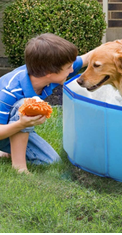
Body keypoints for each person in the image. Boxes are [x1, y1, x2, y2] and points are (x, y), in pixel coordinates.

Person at [0, 33, 93, 174]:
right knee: (24, 104)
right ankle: (19, 167)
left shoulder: (47, 76)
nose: (72, 70)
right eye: (68, 67)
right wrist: (21, 124)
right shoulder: (9, 91)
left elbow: (87, 58)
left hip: (11, 127)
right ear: (49, 72)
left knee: (50, 162)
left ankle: (6, 151)